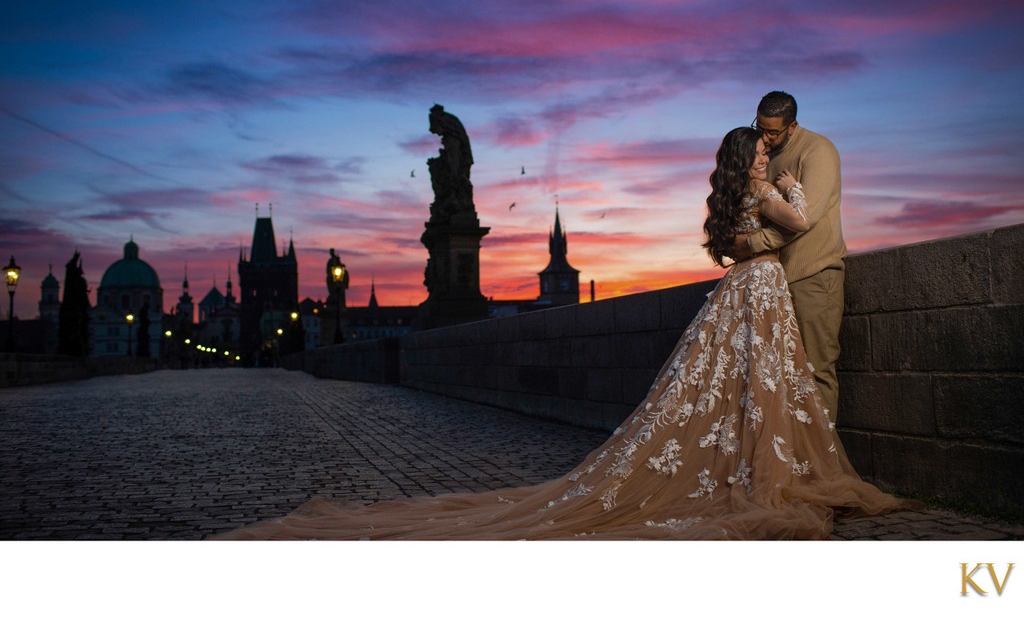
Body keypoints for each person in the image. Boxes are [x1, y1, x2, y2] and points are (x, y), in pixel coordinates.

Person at [215, 128, 911, 541]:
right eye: (762, 147)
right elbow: (795, 224)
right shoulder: (763, 187)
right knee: (753, 389)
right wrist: (785, 186)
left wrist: (757, 220)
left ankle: (758, 466)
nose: (770, 150)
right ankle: (769, 473)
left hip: (747, 293)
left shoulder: (733, 195)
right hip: (758, 291)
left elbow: (737, 243)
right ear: (748, 157)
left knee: (742, 393)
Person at [734, 91, 845, 422]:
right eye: (760, 128)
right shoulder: (764, 158)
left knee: (816, 370)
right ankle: (792, 460)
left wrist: (752, 244)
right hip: (774, 283)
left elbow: (804, 218)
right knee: (777, 375)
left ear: (792, 126)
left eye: (773, 133)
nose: (765, 139)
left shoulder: (818, 151)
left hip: (812, 274)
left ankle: (824, 465)